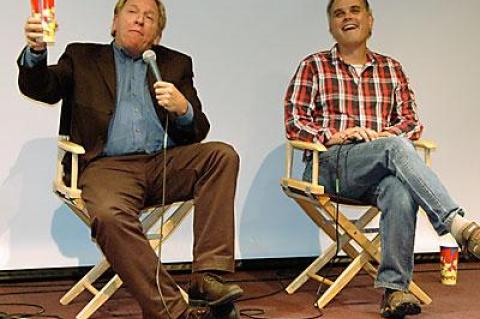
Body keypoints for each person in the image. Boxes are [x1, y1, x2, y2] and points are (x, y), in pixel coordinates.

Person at [18, 0, 243, 318]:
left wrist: (183, 110)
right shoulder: (83, 57)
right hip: (107, 168)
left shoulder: (175, 64)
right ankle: (173, 312)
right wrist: (36, 52)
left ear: (157, 34)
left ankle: (208, 277)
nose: (140, 20)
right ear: (114, 22)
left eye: (149, 17)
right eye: (132, 12)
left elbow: (197, 130)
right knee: (109, 215)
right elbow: (43, 88)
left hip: (162, 163)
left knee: (221, 156)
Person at [284, 0, 480, 318]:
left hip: (378, 167)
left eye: (355, 10)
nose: (347, 17)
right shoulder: (314, 66)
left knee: (399, 188)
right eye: (338, 13)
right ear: (331, 26)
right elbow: (295, 121)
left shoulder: (391, 68)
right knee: (395, 147)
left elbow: (411, 122)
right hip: (329, 165)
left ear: (370, 21)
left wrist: (384, 134)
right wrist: (337, 135)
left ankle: (395, 291)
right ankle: (459, 226)